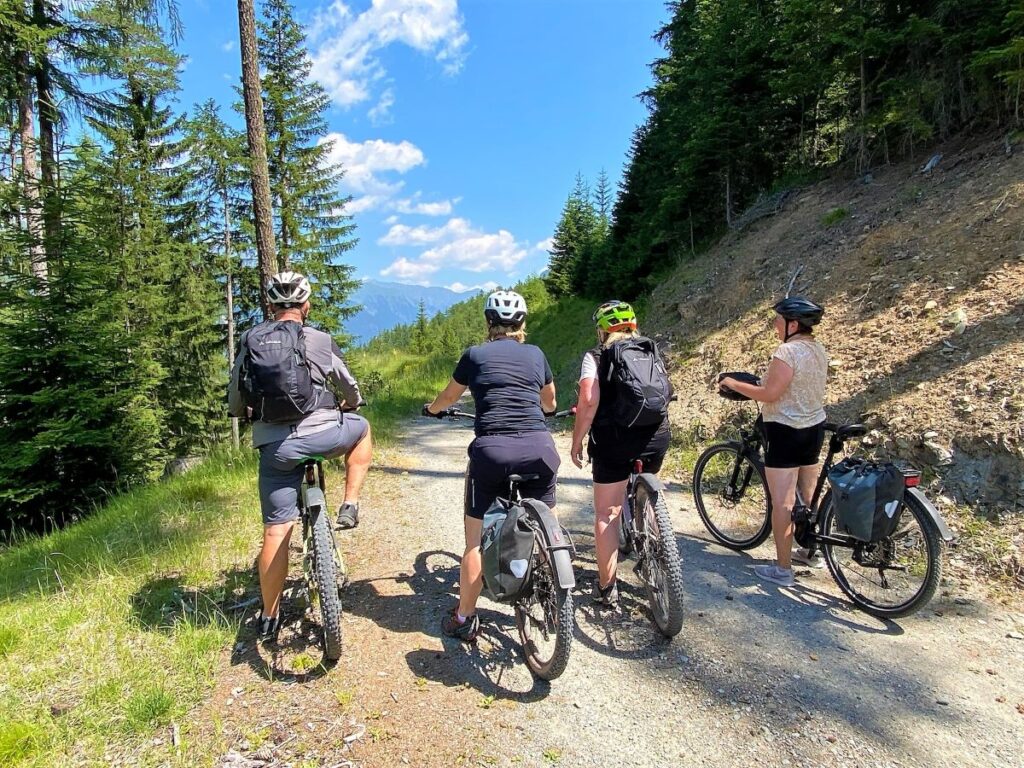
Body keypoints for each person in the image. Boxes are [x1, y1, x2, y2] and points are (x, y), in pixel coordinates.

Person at [228, 271, 373, 641]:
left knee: (276, 529)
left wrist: (246, 414)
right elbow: (348, 385)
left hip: (276, 448)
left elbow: (234, 398)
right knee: (363, 429)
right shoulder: (321, 339)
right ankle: (350, 503)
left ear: (271, 307)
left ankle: (269, 615)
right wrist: (351, 404)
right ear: (305, 305)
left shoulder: (251, 340)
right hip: (324, 434)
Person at [423, 290, 559, 642]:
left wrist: (432, 409)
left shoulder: (475, 355)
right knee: (547, 520)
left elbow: (449, 397)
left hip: (493, 451)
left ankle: (465, 616)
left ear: (489, 323)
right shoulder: (536, 354)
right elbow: (550, 402)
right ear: (522, 324)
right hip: (540, 448)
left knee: (474, 542)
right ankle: (551, 570)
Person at [718, 296, 827, 588]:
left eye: (779, 320)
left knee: (784, 502)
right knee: (809, 494)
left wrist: (732, 383)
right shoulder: (818, 349)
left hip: (785, 430)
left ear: (793, 324)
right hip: (814, 428)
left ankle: (782, 569)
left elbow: (769, 394)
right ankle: (809, 549)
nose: (775, 325)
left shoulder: (787, 351)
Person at [570, 300, 672, 609]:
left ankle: (607, 586)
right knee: (645, 480)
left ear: (601, 330)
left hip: (614, 443)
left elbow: (588, 400)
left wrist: (577, 440)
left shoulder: (595, 356)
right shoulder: (650, 350)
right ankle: (655, 531)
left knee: (607, 513)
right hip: (656, 438)